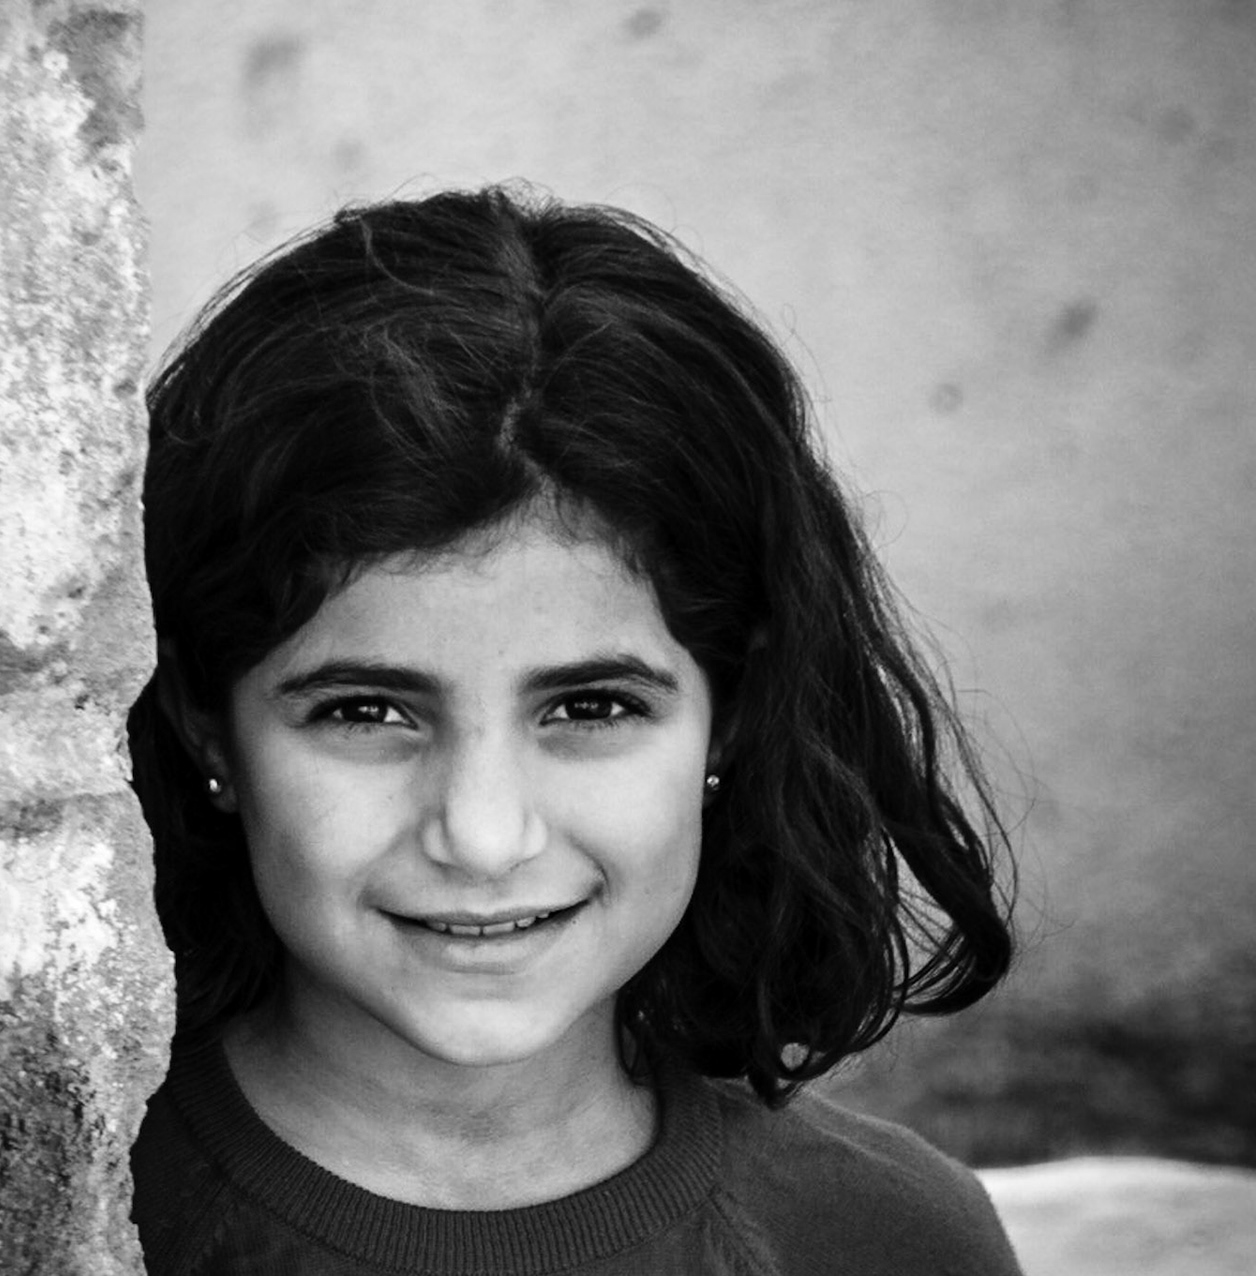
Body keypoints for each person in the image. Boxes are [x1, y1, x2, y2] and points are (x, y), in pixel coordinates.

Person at [125, 186, 1021, 1275]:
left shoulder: (883, 1239)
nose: (485, 836)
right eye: (364, 711)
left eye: (591, 708)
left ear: (730, 720)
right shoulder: (44, 1219)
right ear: (208, 730)